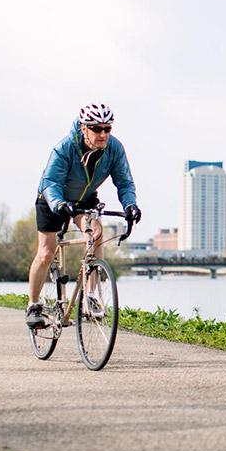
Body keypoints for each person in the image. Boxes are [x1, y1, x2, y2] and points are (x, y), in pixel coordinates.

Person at [26, 103, 142, 328]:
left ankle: (91, 296)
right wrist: (59, 204)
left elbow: (124, 182)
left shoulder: (114, 149)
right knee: (47, 252)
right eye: (96, 128)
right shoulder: (65, 147)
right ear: (83, 127)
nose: (102, 134)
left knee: (96, 233)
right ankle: (33, 304)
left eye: (107, 129)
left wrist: (130, 205)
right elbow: (50, 181)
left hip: (85, 199)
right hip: (52, 199)